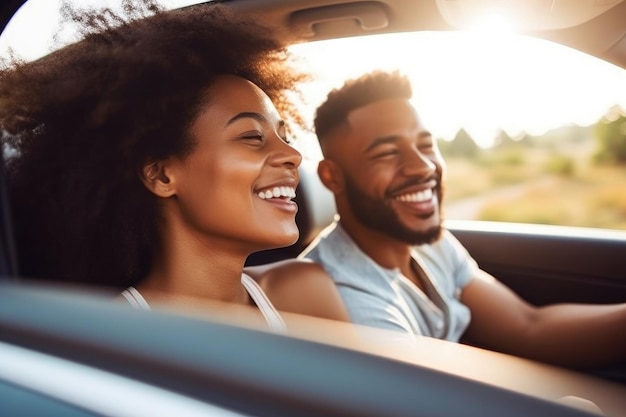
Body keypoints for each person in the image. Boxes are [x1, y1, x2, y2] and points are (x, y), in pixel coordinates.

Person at [0, 0, 348, 332]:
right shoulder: (115, 339)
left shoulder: (304, 292)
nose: (293, 155)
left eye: (283, 134)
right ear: (161, 174)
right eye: (252, 136)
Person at [269, 69, 625, 369]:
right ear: (332, 177)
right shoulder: (344, 298)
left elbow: (528, 327)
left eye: (425, 146)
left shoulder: (429, 244)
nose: (423, 166)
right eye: (388, 153)